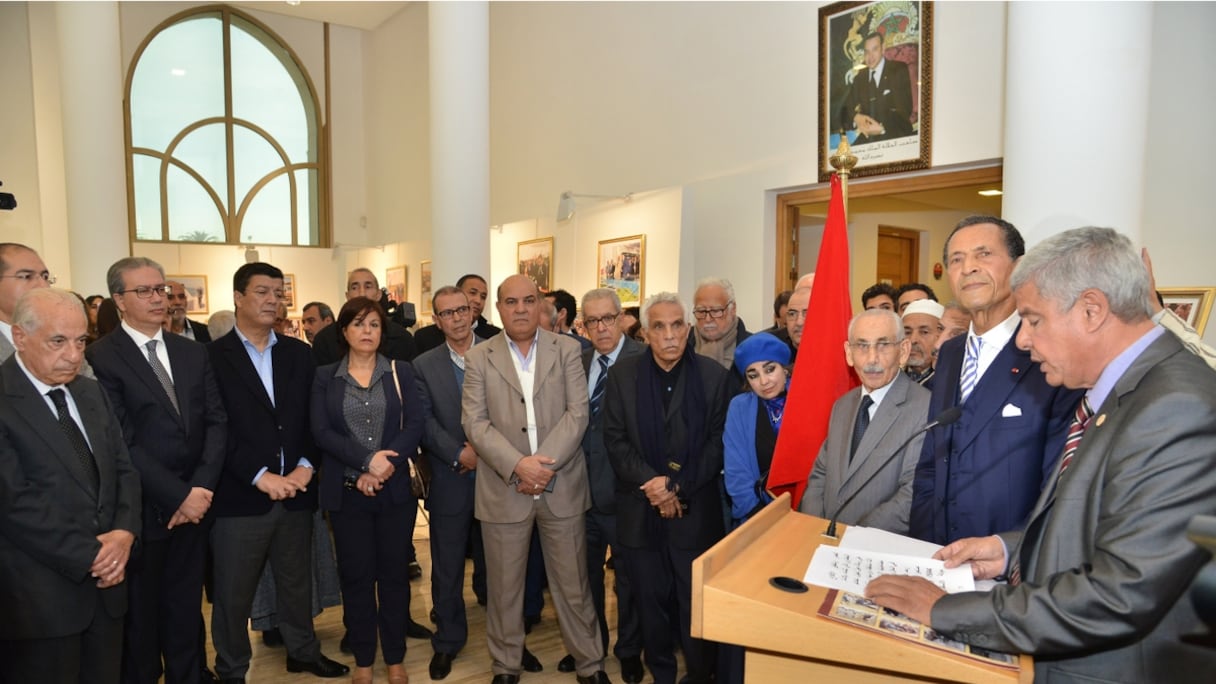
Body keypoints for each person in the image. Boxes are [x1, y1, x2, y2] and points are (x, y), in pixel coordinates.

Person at [867, 227, 1216, 681]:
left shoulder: (1175, 406)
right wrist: (1009, 550)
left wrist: (949, 610)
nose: (1025, 341)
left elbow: (1122, 591)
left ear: (1091, 310)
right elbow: (1100, 527)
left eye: (1033, 320)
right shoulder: (1126, 392)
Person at [85, 258, 227, 684]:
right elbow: (122, 443)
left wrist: (200, 489)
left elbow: (217, 422)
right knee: (141, 626)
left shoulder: (191, 351)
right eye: (143, 291)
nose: (156, 298)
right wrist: (179, 496)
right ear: (119, 301)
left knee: (186, 618)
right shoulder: (101, 357)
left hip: (196, 510)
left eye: (160, 289)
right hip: (142, 513)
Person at [461, 274, 609, 684]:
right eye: (511, 302)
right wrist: (518, 465)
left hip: (561, 485)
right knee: (505, 590)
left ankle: (590, 665)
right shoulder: (479, 357)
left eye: (529, 300)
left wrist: (543, 467)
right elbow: (474, 422)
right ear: (499, 308)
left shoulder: (569, 350)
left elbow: (578, 413)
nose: (521, 309)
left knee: (574, 585)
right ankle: (506, 666)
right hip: (503, 486)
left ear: (541, 306)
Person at [207, 262, 348, 681]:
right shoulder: (211, 358)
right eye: (262, 292)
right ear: (238, 297)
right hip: (240, 497)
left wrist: (307, 467)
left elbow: (313, 420)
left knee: (296, 583)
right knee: (233, 593)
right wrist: (258, 475)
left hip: (297, 493)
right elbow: (215, 428)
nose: (273, 299)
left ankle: (303, 651)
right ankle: (232, 668)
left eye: (278, 292)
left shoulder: (298, 353)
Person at [910, 216, 1083, 545]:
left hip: (1011, 565)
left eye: (983, 254)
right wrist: (922, 547)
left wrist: (1013, 554)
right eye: (957, 260)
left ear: (1019, 267)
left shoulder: (1049, 352)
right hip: (939, 555)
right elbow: (932, 461)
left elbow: (1059, 485)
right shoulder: (950, 354)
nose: (969, 267)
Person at [0, 287, 141, 684]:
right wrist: (96, 556)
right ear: (20, 337)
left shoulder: (90, 391)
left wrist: (125, 534)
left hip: (108, 592)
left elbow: (124, 470)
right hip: (40, 598)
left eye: (81, 341)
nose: (75, 355)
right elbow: (13, 502)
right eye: (58, 341)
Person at [604, 292, 733, 684]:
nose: (670, 335)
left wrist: (676, 487)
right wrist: (654, 486)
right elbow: (615, 440)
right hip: (640, 512)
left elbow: (716, 446)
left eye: (678, 325)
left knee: (695, 603)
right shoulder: (622, 376)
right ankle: (660, 673)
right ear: (644, 333)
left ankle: (698, 674)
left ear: (689, 329)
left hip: (695, 512)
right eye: (659, 326)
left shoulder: (714, 377)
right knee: (649, 602)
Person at [311, 297, 424, 684]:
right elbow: (321, 431)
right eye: (358, 324)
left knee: (393, 577)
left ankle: (394, 658)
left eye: (374, 325)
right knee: (357, 578)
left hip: (394, 493)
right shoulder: (327, 376)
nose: (366, 332)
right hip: (346, 493)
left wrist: (384, 466)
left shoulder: (400, 372)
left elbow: (414, 425)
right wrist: (365, 463)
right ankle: (363, 659)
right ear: (343, 331)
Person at [558, 288, 645, 682]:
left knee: (628, 580)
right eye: (591, 321)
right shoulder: (577, 359)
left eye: (607, 318)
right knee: (582, 579)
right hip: (579, 492)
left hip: (627, 495)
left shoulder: (643, 360)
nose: (600, 328)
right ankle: (588, 648)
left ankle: (629, 650)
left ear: (623, 317)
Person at [414, 286, 490, 679]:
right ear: (436, 320)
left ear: (473, 311)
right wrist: (458, 453)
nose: (457, 318)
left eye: (463, 309)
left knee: (502, 565)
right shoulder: (423, 365)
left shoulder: (498, 351)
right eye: (447, 313)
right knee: (446, 565)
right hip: (451, 475)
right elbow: (423, 421)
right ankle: (447, 642)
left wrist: (490, 452)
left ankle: (508, 642)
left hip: (498, 474)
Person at [799, 309, 931, 534]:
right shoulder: (843, 405)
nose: (872, 359)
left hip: (876, 547)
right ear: (849, 353)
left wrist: (851, 536)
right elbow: (821, 473)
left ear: (903, 350)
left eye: (883, 345)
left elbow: (912, 493)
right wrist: (816, 529)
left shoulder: (925, 407)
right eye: (862, 346)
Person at [723, 333, 790, 527]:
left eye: (770, 369)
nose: (764, 381)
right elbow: (736, 472)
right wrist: (760, 517)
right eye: (753, 375)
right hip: (757, 516)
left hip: (806, 513)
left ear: (784, 369)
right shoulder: (739, 407)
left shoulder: (806, 400)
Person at [311, 268, 417, 365]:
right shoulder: (325, 340)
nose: (362, 293)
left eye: (368, 287)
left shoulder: (402, 338)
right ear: (347, 296)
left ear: (378, 294)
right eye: (355, 287)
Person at [837, 32, 914, 143]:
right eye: (867, 52)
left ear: (883, 49)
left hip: (896, 133)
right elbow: (844, 110)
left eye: (874, 49)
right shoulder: (860, 77)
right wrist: (856, 118)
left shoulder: (898, 69)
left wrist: (882, 129)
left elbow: (905, 109)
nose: (870, 57)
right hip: (868, 137)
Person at [415, 274, 502, 354]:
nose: (478, 301)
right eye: (472, 293)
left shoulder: (495, 336)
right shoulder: (424, 337)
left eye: (483, 297)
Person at [689, 277, 752, 373]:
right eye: (701, 311)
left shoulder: (753, 348)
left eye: (716, 311)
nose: (708, 319)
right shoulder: (683, 345)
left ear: (733, 309)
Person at [901, 299, 943, 387]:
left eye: (924, 332)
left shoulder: (950, 380)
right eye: (907, 332)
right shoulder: (889, 378)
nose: (913, 340)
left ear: (941, 335)